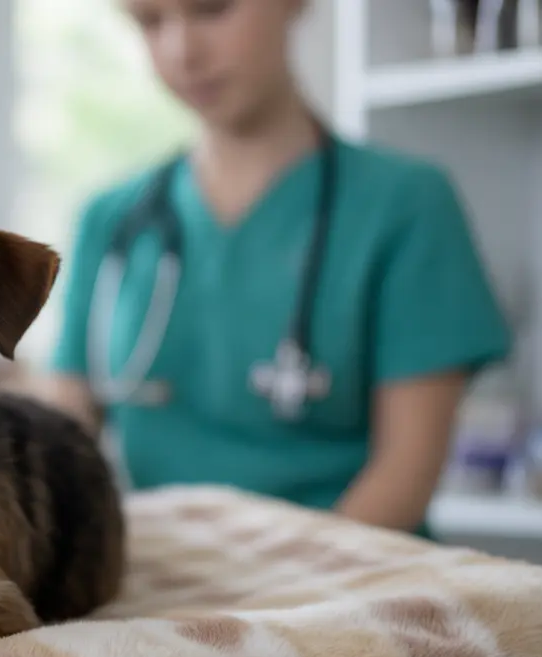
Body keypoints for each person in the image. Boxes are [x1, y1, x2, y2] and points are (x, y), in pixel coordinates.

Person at [39, 0, 513, 538]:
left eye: (212, 10)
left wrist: (270, 605)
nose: (183, 51)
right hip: (166, 583)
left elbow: (405, 475)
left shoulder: (406, 205)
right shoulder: (111, 221)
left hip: (354, 581)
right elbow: (63, 443)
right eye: (152, 22)